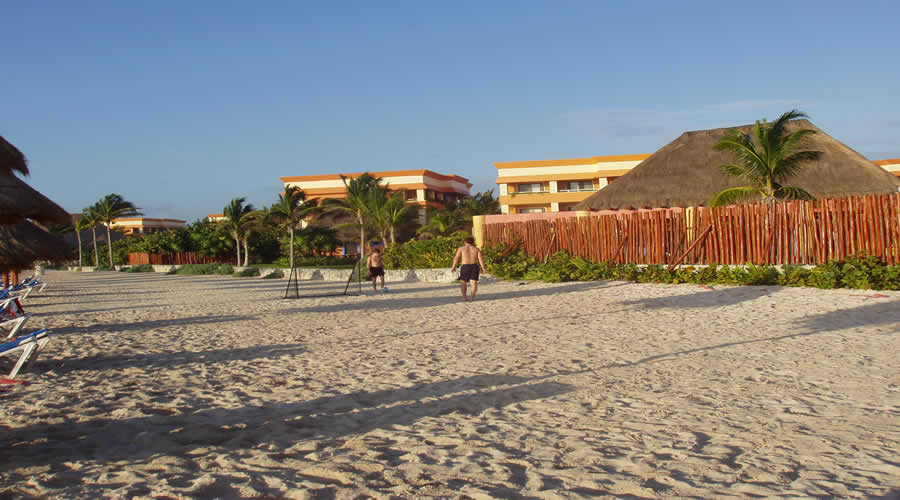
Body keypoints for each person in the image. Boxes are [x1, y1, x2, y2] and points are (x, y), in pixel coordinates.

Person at [450, 236, 486, 302]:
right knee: (473, 282)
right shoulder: (476, 249)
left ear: (465, 242)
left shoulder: (461, 248)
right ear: (473, 242)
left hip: (465, 267)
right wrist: (483, 268)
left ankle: (464, 298)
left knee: (463, 282)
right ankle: (472, 297)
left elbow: (456, 258)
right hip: (474, 266)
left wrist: (453, 267)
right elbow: (481, 259)